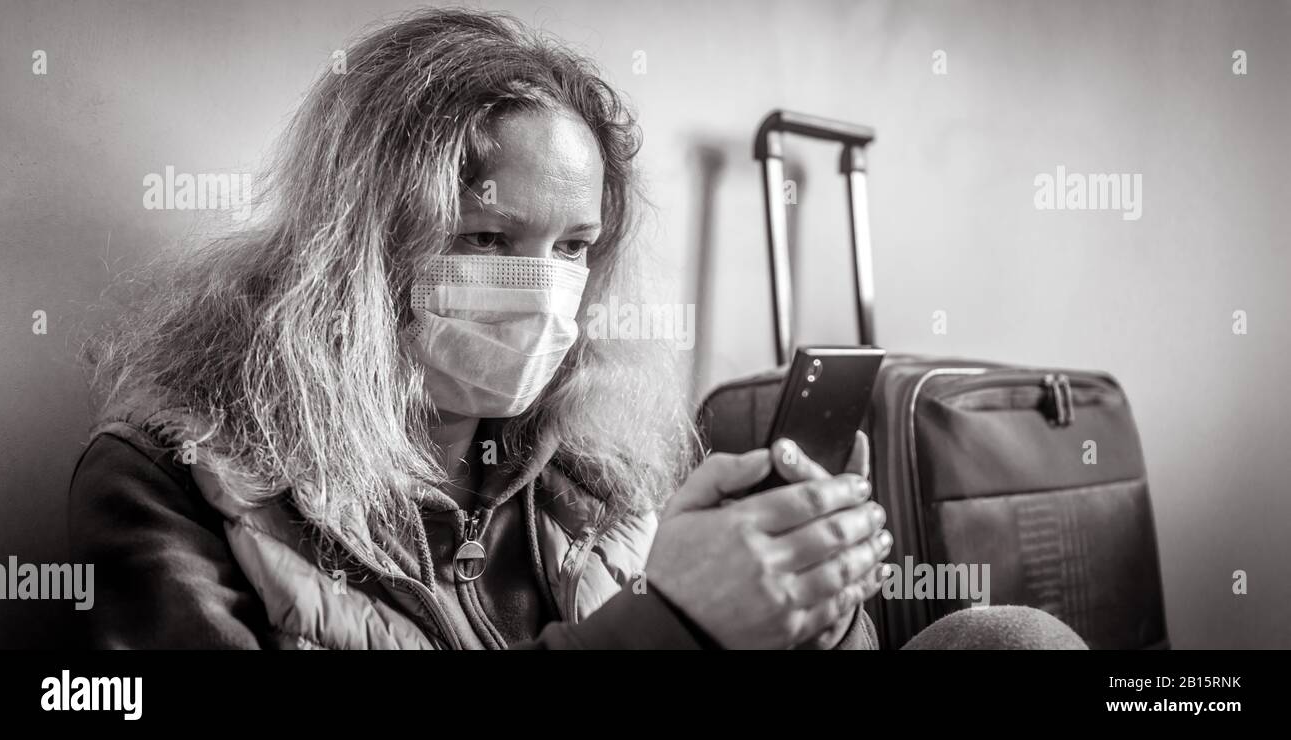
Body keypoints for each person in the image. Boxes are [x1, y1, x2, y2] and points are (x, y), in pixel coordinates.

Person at [69, 8, 1084, 650]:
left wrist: (804, 608)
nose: (544, 289)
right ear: (354, 241)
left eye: (573, 247)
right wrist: (673, 624)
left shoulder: (593, 461)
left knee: (1010, 639)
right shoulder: (176, 477)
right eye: (486, 233)